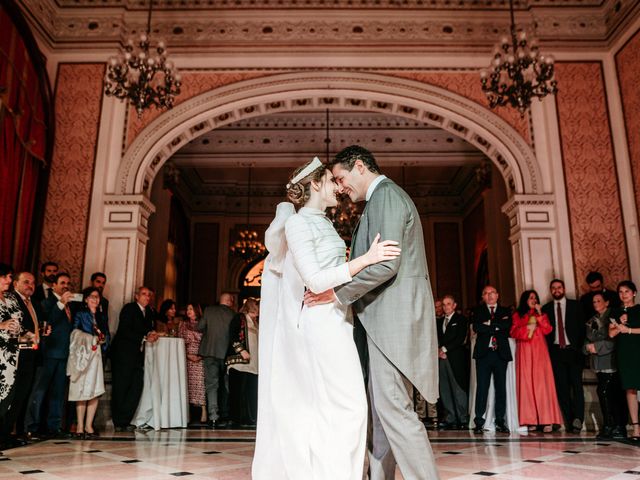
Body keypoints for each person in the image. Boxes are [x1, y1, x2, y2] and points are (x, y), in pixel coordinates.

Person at [253, 155, 402, 480]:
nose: (340, 186)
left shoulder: (323, 222)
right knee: (350, 406)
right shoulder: (297, 223)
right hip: (322, 323)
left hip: (337, 320)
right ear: (315, 184)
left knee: (339, 406)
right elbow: (316, 280)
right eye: (332, 181)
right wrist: (366, 259)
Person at [306, 146, 439, 480]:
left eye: (341, 178)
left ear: (360, 166)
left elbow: (387, 265)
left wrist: (335, 294)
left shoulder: (387, 197)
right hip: (382, 320)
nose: (339, 187)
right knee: (383, 411)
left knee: (394, 410)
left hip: (392, 321)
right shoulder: (378, 201)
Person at [25, 272, 74, 438]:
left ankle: (54, 427)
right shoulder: (47, 302)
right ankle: (32, 427)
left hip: (64, 354)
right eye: (62, 283)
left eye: (68, 283)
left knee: (58, 392)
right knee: (39, 391)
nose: (65, 285)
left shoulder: (70, 304)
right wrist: (60, 303)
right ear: (54, 285)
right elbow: (47, 320)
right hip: (48, 353)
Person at [510, 290, 562, 433]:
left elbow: (548, 330)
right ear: (524, 300)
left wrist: (539, 315)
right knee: (527, 384)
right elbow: (513, 332)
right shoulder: (517, 315)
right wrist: (527, 328)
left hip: (540, 352)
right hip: (525, 351)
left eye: (535, 297)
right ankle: (530, 420)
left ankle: (547, 420)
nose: (533, 299)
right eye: (530, 297)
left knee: (542, 385)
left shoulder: (541, 314)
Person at [110, 286, 158, 432]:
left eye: (149, 295)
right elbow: (124, 330)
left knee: (136, 386)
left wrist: (152, 333)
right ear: (136, 296)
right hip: (122, 354)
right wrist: (144, 337)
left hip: (138, 355)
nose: (147, 297)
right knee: (121, 386)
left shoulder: (149, 311)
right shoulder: (129, 309)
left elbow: (148, 329)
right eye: (144, 294)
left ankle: (126, 419)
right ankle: (118, 421)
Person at [542, 278, 585, 433]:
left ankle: (578, 419)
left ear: (564, 289)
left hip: (573, 351)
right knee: (562, 388)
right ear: (550, 290)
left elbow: (582, 329)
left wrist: (580, 349)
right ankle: (569, 420)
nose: (556, 290)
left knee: (577, 386)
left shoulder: (576, 306)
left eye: (559, 287)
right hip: (556, 352)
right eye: (553, 288)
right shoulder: (546, 309)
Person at [67, 287, 108, 439]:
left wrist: (104, 341)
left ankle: (89, 425)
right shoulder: (80, 314)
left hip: (96, 355)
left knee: (94, 390)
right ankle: (79, 425)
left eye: (97, 297)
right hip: (83, 355)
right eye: (92, 296)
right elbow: (74, 332)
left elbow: (107, 333)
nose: (95, 299)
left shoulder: (102, 316)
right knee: (82, 389)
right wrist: (91, 339)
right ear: (85, 299)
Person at [584, 293, 627, 439]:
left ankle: (613, 425)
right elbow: (586, 341)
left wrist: (596, 347)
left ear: (606, 302)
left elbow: (614, 340)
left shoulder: (613, 317)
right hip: (597, 363)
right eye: (593, 301)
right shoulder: (591, 320)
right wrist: (587, 348)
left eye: (599, 301)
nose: (595, 303)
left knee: (606, 392)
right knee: (605, 393)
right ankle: (610, 426)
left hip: (610, 360)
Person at [471, 285, 512, 435]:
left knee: (501, 387)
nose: (490, 295)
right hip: (484, 354)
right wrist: (495, 327)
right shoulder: (477, 311)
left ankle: (500, 421)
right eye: (486, 293)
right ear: (483, 297)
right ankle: (479, 421)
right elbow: (477, 327)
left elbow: (507, 327)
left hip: (500, 354)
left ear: (497, 295)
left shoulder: (505, 311)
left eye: (492, 292)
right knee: (482, 387)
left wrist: (488, 325)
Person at [608, 280, 640, 441]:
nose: (623, 295)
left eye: (626, 291)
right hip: (625, 353)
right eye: (620, 292)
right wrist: (621, 322)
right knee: (630, 389)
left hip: (638, 349)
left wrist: (628, 330)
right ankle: (636, 428)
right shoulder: (615, 312)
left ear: (634, 292)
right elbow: (611, 334)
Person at [198, 292, 235, 428]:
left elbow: (200, 327)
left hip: (210, 352)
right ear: (230, 301)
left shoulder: (208, 310)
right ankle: (226, 414)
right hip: (226, 354)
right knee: (226, 385)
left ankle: (213, 416)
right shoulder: (233, 315)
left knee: (211, 385)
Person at [437, 295, 469, 430]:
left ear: (454, 305)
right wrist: (438, 350)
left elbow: (460, 338)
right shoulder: (439, 322)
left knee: (458, 388)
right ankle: (451, 418)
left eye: (448, 304)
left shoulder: (461, 319)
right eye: (443, 305)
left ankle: (462, 418)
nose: (445, 307)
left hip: (455, 358)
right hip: (441, 358)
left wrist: (444, 349)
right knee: (445, 389)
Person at [226, 298, 260, 427]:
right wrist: (241, 350)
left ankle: (250, 419)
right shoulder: (239, 318)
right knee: (237, 391)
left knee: (250, 391)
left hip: (254, 364)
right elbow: (232, 335)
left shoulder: (256, 323)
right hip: (240, 362)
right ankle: (236, 419)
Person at [0, 264, 22, 451]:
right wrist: (1, 325)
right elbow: (4, 324)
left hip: (12, 354)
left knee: (8, 396)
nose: (9, 280)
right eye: (6, 277)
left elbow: (17, 323)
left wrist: (26, 334)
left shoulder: (11, 298)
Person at [179, 303, 207, 425]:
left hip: (201, 357)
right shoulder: (183, 324)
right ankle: (187, 413)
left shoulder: (204, 323)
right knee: (187, 385)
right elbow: (179, 341)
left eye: (191, 309)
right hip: (187, 356)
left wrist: (200, 355)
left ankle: (204, 411)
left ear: (196, 310)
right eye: (187, 309)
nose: (188, 311)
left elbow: (207, 340)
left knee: (201, 384)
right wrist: (187, 355)